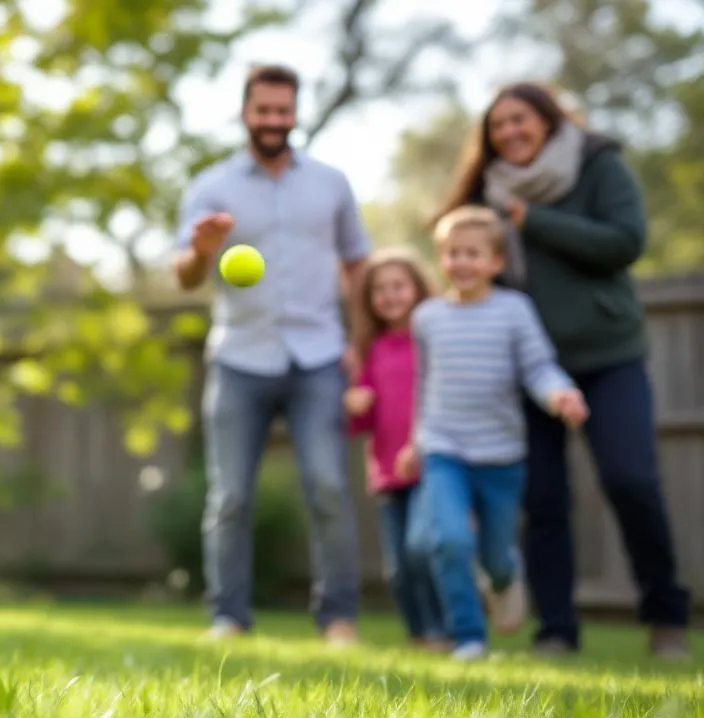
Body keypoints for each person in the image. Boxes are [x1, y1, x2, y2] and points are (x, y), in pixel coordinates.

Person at [436, 81, 692, 659]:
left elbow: (626, 242)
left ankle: (666, 619)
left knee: (632, 480)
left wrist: (535, 221)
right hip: (527, 368)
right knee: (544, 499)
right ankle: (556, 629)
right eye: (498, 126)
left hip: (608, 354)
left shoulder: (595, 163)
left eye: (521, 120)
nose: (510, 133)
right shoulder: (487, 191)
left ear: (549, 120)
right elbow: (468, 263)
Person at [171, 64, 372, 645]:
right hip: (239, 357)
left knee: (329, 488)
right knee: (230, 495)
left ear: (295, 113)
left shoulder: (331, 183)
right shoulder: (211, 188)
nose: (274, 121)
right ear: (245, 112)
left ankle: (338, 618)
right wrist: (202, 251)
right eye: (264, 111)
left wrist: (357, 342)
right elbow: (185, 278)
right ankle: (228, 617)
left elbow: (358, 264)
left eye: (283, 111)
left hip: (317, 357)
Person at [399, 205, 588, 660]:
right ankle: (468, 637)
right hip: (444, 447)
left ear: (496, 262)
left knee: (496, 555)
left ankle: (505, 577)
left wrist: (560, 394)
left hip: (501, 454)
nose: (462, 262)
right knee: (448, 540)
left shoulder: (514, 311)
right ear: (440, 259)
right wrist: (416, 439)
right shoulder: (427, 318)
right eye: (452, 253)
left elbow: (538, 367)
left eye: (473, 254)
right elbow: (425, 384)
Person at [344, 246, 447, 652]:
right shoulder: (371, 350)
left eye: (398, 286)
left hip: (431, 464)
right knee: (398, 569)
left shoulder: (434, 342)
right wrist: (356, 406)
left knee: (422, 550)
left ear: (418, 289)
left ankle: (443, 630)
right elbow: (362, 423)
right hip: (387, 471)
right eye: (380, 289)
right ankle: (419, 634)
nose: (389, 295)